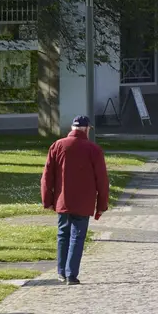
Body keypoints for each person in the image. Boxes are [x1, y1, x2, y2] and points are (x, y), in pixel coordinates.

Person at [40, 115, 109, 285]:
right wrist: (101, 205)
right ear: (86, 129)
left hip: (62, 200)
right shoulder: (94, 150)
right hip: (84, 201)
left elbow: (47, 176)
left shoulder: (57, 146)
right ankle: (71, 274)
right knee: (77, 236)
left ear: (72, 128)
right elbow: (102, 180)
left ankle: (61, 272)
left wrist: (47, 200)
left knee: (63, 234)